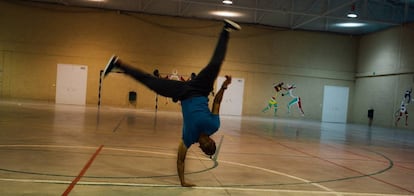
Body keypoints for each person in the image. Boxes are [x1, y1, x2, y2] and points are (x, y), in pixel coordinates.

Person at [102, 19, 241, 187]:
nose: (206, 145)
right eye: (210, 146)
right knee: (215, 65)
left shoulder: (188, 139)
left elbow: (181, 159)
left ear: (201, 148)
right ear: (212, 141)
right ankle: (226, 30)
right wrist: (224, 87)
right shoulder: (213, 125)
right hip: (200, 88)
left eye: (205, 149)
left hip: (182, 93)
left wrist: (183, 181)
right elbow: (217, 102)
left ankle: (118, 63)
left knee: (150, 82)